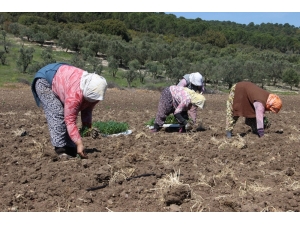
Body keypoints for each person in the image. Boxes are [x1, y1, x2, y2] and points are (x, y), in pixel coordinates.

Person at [31, 63, 108, 159]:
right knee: (58, 113)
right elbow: (70, 120)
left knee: (66, 114)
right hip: (45, 80)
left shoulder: (96, 93)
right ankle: (61, 149)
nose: (92, 101)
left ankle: (71, 147)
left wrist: (87, 127)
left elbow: (87, 110)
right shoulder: (74, 96)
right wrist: (79, 143)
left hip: (63, 80)